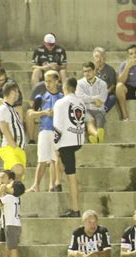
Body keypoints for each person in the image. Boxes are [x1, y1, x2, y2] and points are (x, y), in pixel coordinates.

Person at [53, 77, 86, 218]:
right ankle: (58, 182)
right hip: (78, 140)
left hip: (66, 142)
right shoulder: (81, 102)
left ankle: (75, 209)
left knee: (71, 176)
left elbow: (58, 127)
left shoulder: (61, 103)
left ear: (65, 88)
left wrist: (55, 144)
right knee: (63, 166)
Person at [26, 70, 62, 192]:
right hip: (44, 130)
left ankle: (52, 186)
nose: (47, 83)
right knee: (41, 160)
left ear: (57, 81)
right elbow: (30, 114)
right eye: (46, 81)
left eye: (50, 81)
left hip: (57, 131)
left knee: (54, 160)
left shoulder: (62, 97)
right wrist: (44, 112)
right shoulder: (40, 97)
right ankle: (36, 185)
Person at [0, 178, 26, 257]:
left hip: (11, 225)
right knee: (12, 248)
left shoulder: (9, 198)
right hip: (15, 225)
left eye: (9, 185)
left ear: (12, 189)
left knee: (12, 249)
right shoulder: (15, 198)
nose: (6, 185)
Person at [0, 81, 26, 181]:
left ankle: (8, 195)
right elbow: (4, 128)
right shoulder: (3, 108)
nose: (18, 94)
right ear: (12, 92)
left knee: (15, 178)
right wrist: (13, 145)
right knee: (17, 170)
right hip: (10, 147)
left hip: (18, 148)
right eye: (16, 92)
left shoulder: (12, 109)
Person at [76, 61, 108, 144]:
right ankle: (97, 135)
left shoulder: (102, 84)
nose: (87, 73)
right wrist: (94, 99)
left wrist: (87, 99)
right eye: (85, 71)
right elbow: (79, 98)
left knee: (99, 118)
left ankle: (95, 137)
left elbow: (102, 99)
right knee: (90, 121)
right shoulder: (79, 83)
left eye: (89, 71)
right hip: (85, 109)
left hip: (99, 109)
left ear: (94, 71)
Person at [0, 169, 16, 257]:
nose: (0, 180)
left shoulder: (13, 191)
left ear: (10, 179)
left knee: (12, 247)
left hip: (10, 221)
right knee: (2, 244)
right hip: (2, 220)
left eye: (3, 177)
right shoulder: (3, 190)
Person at [93, 47, 117, 113]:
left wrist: (105, 93)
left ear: (104, 57)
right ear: (94, 58)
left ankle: (102, 111)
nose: (99, 59)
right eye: (96, 56)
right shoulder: (91, 69)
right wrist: (95, 69)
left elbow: (112, 86)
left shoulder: (110, 70)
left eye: (101, 56)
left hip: (106, 94)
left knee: (113, 98)